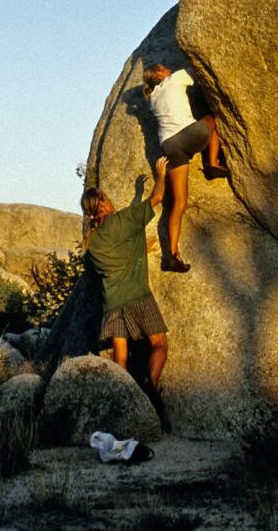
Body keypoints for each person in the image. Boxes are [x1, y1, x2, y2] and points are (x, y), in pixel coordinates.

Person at [82, 157, 172, 429]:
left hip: (112, 304)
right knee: (159, 344)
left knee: (120, 359)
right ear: (104, 204)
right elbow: (157, 197)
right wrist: (161, 174)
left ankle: (123, 408)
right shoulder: (123, 220)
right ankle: (150, 387)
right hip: (137, 296)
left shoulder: (91, 242)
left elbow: (95, 277)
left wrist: (135, 197)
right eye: (107, 199)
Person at [142, 63, 229, 273]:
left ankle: (172, 255)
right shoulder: (175, 79)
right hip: (190, 134)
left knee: (179, 202)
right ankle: (212, 163)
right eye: (164, 68)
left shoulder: (152, 99)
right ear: (161, 74)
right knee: (213, 117)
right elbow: (198, 66)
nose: (169, 69)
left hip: (169, 145)